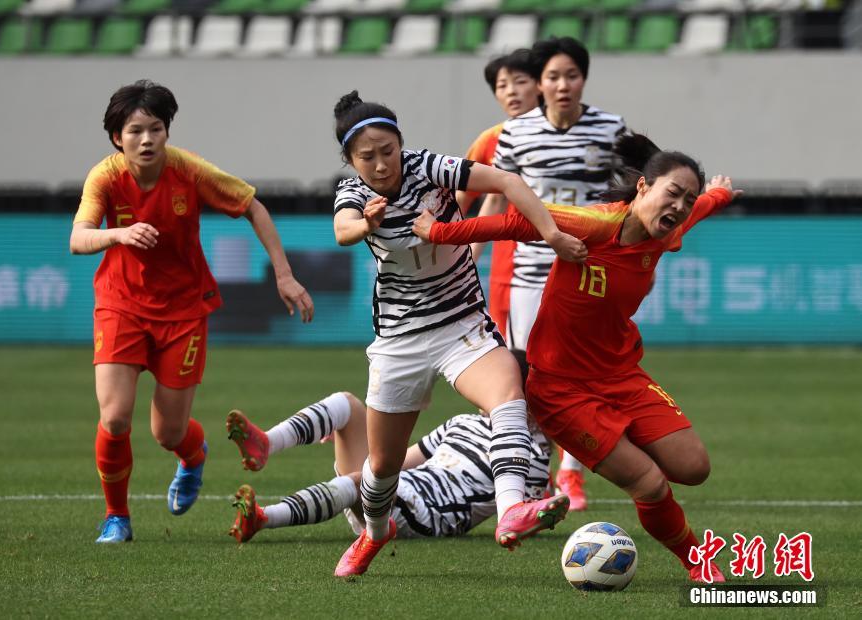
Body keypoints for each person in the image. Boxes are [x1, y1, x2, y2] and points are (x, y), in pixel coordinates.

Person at [413, 134, 740, 583]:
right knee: (649, 483)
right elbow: (517, 223)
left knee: (694, 468)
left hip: (621, 374)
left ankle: (621, 445)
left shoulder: (669, 231)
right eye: (673, 193)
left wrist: (717, 194)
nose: (682, 206)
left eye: (687, 199)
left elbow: (699, 209)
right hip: (560, 389)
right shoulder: (593, 225)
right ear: (643, 187)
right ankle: (698, 563)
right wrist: (440, 232)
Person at [328, 91, 583, 577]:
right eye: (367, 156)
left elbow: (506, 179)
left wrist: (549, 233)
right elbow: (342, 230)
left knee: (510, 396)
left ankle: (511, 509)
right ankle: (376, 532)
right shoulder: (355, 194)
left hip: (461, 323)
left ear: (401, 143)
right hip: (401, 339)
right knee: (380, 466)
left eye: (388, 150)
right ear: (350, 160)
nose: (381, 164)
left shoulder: (429, 167)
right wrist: (366, 223)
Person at [70, 80, 314, 544]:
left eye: (156, 129)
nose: (147, 139)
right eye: (135, 130)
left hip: (183, 311)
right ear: (116, 138)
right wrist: (117, 235)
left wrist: (283, 274)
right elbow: (78, 237)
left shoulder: (188, 170)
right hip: (121, 304)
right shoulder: (104, 177)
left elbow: (254, 208)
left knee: (168, 431)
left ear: (167, 132)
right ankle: (116, 517)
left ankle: (193, 455)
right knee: (116, 417)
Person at [492, 37, 629, 512]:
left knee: (582, 378)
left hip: (588, 273)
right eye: (553, 76)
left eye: (571, 75)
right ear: (542, 84)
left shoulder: (611, 129)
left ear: (583, 79)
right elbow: (495, 193)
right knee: (529, 379)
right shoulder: (516, 133)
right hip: (530, 273)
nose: (562, 84)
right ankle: (534, 477)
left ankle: (571, 475)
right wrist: (470, 244)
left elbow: (631, 195)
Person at [225, 393, 559, 544]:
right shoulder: (462, 422)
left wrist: (550, 502)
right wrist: (348, 436)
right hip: (397, 491)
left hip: (426, 515)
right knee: (348, 405)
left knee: (364, 481)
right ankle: (266, 443)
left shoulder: (530, 453)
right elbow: (399, 457)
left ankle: (265, 517)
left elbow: (519, 517)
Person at [455, 49, 542, 342]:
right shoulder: (491, 140)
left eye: (520, 81)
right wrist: (466, 260)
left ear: (539, 84)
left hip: (565, 258)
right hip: (511, 267)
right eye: (502, 86)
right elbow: (462, 203)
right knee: (517, 356)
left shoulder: (574, 135)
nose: (511, 92)